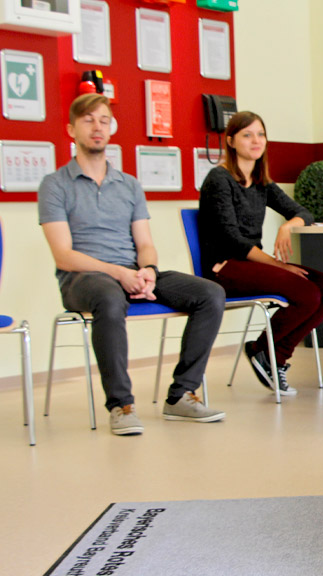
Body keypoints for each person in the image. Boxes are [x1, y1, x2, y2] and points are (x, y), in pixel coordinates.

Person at [38, 93, 226, 435]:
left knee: (210, 294)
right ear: (71, 129)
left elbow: (145, 244)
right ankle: (121, 405)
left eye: (104, 120)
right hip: (82, 279)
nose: (97, 127)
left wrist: (148, 272)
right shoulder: (55, 185)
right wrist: (120, 273)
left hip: (131, 272)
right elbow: (63, 255)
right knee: (110, 298)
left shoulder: (129, 185)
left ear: (112, 128)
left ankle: (181, 395)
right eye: (88, 120)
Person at [198, 111, 323, 396]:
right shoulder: (219, 179)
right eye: (247, 135)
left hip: (251, 263)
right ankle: (267, 352)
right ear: (230, 141)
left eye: (260, 134)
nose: (256, 140)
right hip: (224, 267)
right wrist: (280, 266)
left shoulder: (262, 182)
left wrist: (289, 225)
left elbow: (303, 212)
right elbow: (232, 239)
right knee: (307, 293)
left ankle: (271, 354)